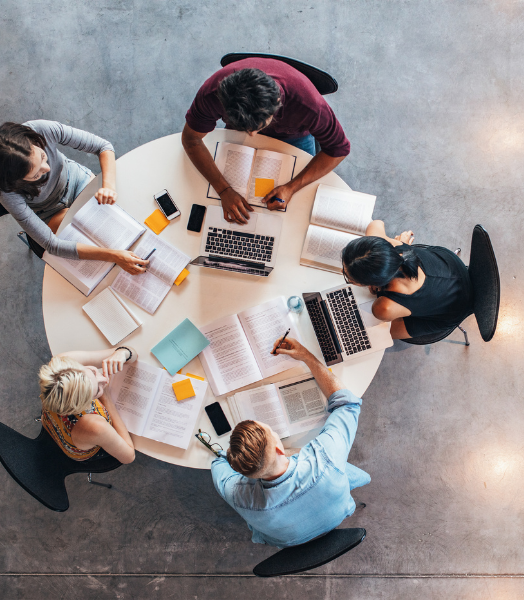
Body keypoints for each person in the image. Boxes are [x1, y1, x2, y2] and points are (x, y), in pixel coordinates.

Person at [211, 337, 370, 548]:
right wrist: (307, 356)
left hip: (288, 542)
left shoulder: (238, 495)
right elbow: (347, 404)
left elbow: (217, 465)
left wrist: (229, 456)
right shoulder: (325, 459)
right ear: (279, 448)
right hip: (339, 512)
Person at [182, 58, 350, 224]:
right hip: (241, 130)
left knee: (298, 206)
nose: (252, 136)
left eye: (258, 127)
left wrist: (291, 187)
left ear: (278, 103)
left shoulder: (309, 106)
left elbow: (339, 149)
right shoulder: (212, 93)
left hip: (295, 135)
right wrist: (224, 190)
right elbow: (191, 139)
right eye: (246, 129)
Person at [0, 120, 149, 274]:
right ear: (15, 183)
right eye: (36, 175)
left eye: (43, 156)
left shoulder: (40, 129)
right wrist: (113, 256)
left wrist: (108, 186)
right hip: (48, 212)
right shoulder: (5, 191)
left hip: (78, 182)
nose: (47, 169)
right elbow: (52, 244)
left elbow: (103, 147)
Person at [341, 220, 473, 340]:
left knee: (376, 335)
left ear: (371, 283)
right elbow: (376, 224)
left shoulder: (383, 308)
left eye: (348, 278)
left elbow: (383, 309)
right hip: (452, 267)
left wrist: (379, 289)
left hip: (453, 311)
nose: (342, 272)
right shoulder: (393, 246)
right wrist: (400, 244)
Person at [38, 347, 138, 464]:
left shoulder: (63, 364)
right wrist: (106, 398)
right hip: (82, 447)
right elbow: (129, 456)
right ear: (84, 405)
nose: (104, 379)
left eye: (93, 372)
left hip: (51, 420)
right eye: (97, 391)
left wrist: (122, 353)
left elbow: (132, 353)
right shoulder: (95, 426)